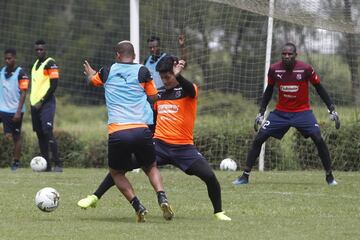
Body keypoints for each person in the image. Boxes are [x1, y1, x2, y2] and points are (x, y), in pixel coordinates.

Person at [77, 35, 186, 210]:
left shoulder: (107, 71)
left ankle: (138, 206)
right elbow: (152, 97)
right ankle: (162, 196)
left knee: (116, 172)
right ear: (134, 56)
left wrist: (90, 74)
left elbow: (92, 81)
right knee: (150, 166)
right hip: (142, 129)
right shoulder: (143, 71)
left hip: (118, 131)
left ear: (117, 55)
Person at [232, 42, 339, 186]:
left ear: (296, 55)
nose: (286, 56)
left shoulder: (306, 69)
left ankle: (329, 177)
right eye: (284, 54)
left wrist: (331, 108)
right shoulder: (274, 70)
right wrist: (261, 112)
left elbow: (319, 88)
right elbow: (269, 91)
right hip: (281, 113)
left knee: (318, 139)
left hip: (303, 113)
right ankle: (244, 176)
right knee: (259, 138)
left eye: (290, 54)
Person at [153, 56, 231, 221]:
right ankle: (95, 196)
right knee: (124, 163)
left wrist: (179, 75)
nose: (164, 81)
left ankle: (219, 212)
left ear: (175, 74)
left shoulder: (188, 91)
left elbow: (189, 87)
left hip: (184, 149)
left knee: (209, 177)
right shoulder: (159, 95)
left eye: (167, 77)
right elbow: (153, 120)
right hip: (159, 145)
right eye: (162, 77)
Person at [30, 40, 62, 172]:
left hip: (46, 103)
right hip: (34, 104)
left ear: (45, 50)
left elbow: (54, 85)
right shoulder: (35, 64)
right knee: (40, 135)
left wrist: (42, 101)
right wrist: (33, 102)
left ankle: (58, 164)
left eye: (41, 49)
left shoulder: (51, 63)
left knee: (48, 132)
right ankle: (46, 166)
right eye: (37, 49)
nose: (39, 52)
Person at [0, 48, 29, 171]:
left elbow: (23, 93)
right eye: (5, 58)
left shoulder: (21, 73)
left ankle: (16, 163)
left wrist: (18, 112)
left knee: (16, 137)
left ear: (14, 59)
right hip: (2, 109)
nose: (7, 60)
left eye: (10, 58)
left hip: (15, 111)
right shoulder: (2, 71)